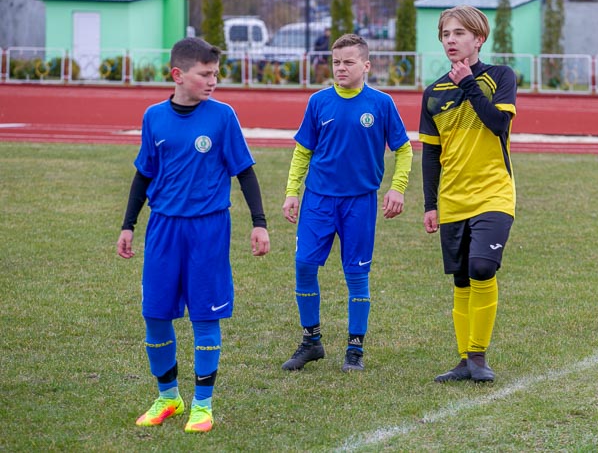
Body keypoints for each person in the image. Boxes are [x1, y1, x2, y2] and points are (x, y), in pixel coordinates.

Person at [116, 37, 270, 433]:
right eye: (205, 74)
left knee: (205, 314)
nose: (212, 81)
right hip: (164, 227)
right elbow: (143, 174)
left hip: (208, 229)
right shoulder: (154, 117)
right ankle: (168, 396)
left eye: (215, 74)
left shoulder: (222, 117)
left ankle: (203, 404)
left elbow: (245, 172)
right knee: (155, 313)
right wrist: (128, 225)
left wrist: (259, 222)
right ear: (178, 75)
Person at [281, 33, 413, 372]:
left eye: (348, 62)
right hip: (318, 200)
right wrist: (292, 192)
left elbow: (404, 148)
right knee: (304, 265)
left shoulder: (381, 104)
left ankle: (355, 348)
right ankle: (311, 341)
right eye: (336, 62)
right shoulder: (319, 101)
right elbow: (302, 151)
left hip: (360, 203)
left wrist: (397, 188)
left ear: (366, 65)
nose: (340, 67)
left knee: (356, 275)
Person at [419, 5, 517, 383]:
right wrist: (430, 204)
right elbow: (431, 154)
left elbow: (497, 124)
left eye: (458, 33)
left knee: (482, 268)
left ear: (478, 38)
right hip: (453, 198)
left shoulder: (500, 77)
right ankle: (465, 360)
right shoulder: (433, 93)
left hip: (494, 193)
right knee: (461, 278)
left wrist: (468, 84)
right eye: (445, 34)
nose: (450, 40)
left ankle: (478, 355)